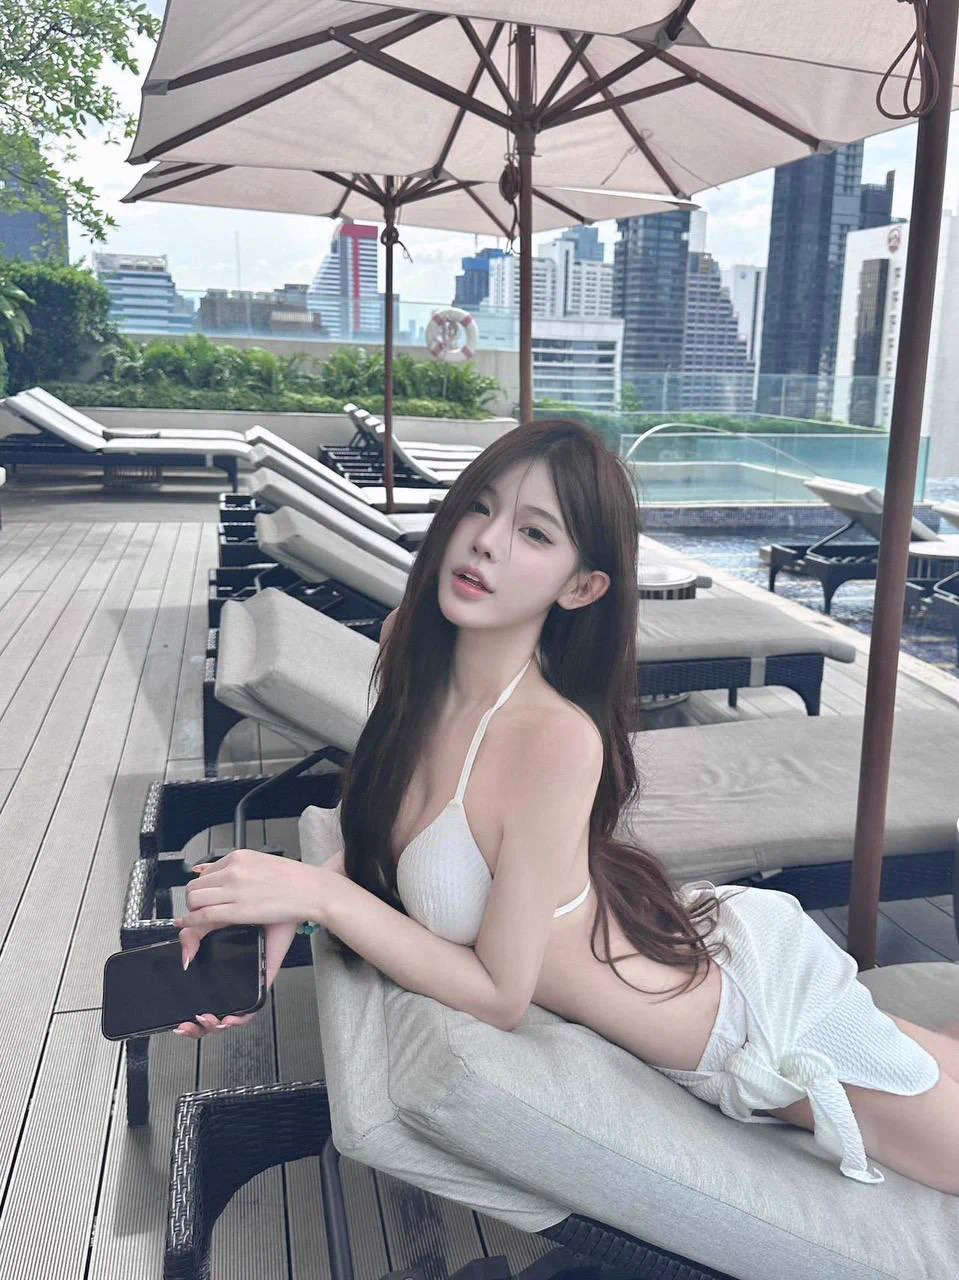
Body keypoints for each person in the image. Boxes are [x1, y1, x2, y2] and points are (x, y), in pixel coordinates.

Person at [176, 418, 959, 1194]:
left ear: (580, 587)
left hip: (748, 1030)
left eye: (534, 533)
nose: (486, 542)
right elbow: (393, 822)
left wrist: (318, 896)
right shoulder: (409, 651)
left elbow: (499, 996)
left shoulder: (554, 740)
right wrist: (293, 910)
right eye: (479, 507)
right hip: (694, 956)